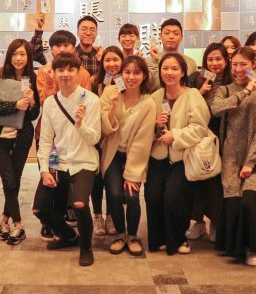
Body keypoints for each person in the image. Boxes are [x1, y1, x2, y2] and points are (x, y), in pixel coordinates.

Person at [33, 52, 101, 267]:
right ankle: (69, 236)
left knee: (79, 204)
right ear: (54, 73)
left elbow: (95, 138)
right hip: (59, 162)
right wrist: (44, 170)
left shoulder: (91, 100)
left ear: (78, 72)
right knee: (39, 209)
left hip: (84, 162)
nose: (65, 74)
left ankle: (86, 247)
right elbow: (45, 141)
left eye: (70, 69)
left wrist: (81, 124)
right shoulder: (51, 103)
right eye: (60, 70)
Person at [212, 47, 256, 266]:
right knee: (234, 200)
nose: (238, 69)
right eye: (235, 64)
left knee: (250, 198)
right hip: (231, 155)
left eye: (244, 64)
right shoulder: (225, 90)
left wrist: (251, 161)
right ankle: (235, 248)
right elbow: (217, 109)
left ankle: (253, 249)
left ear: (254, 65)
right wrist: (245, 91)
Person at [146, 53, 210, 255]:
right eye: (165, 68)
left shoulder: (193, 95)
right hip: (158, 157)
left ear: (183, 72)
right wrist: (157, 126)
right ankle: (158, 238)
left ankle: (179, 238)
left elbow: (200, 127)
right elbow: (145, 130)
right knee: (153, 195)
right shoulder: (155, 97)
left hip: (183, 157)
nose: (169, 72)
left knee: (173, 197)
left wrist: (175, 135)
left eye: (174, 68)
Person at [35, 30, 93, 241]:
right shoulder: (44, 72)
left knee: (71, 181)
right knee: (50, 179)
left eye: (66, 45)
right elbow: (45, 101)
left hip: (76, 135)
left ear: (73, 48)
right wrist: (52, 83)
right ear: (51, 50)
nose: (62, 49)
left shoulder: (82, 73)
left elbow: (83, 100)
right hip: (51, 134)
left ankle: (68, 216)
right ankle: (51, 223)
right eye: (57, 46)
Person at [99, 55, 156, 256]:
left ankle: (132, 236)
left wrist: (132, 173)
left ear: (144, 76)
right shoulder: (110, 92)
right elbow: (104, 129)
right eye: (127, 72)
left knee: (132, 197)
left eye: (136, 73)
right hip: (112, 153)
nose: (131, 77)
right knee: (114, 194)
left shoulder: (148, 103)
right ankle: (120, 235)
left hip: (135, 156)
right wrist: (113, 107)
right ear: (121, 74)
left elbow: (143, 141)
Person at [0, 39, 41, 246]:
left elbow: (33, 114)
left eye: (23, 54)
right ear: (9, 56)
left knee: (14, 180)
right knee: (8, 180)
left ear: (28, 57)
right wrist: (15, 105)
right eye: (15, 54)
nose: (18, 58)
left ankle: (4, 220)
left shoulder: (32, 78)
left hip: (22, 137)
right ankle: (18, 223)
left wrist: (32, 103)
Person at [186, 43, 231, 242]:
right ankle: (198, 222)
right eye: (210, 59)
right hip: (200, 136)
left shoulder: (232, 79)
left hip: (223, 136)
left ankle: (215, 222)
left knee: (216, 183)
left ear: (226, 60)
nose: (214, 63)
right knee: (199, 178)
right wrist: (200, 92)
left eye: (218, 59)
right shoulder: (195, 78)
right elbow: (186, 104)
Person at [90, 46, 126, 236]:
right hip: (96, 137)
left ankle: (111, 215)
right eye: (107, 60)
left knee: (114, 182)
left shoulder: (126, 82)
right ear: (102, 62)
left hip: (115, 137)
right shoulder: (94, 81)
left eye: (115, 59)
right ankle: (97, 215)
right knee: (96, 179)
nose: (112, 64)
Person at [146, 19, 198, 91]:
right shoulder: (148, 62)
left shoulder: (190, 63)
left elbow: (192, 88)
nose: (171, 36)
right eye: (167, 33)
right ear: (160, 36)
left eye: (176, 34)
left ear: (181, 37)